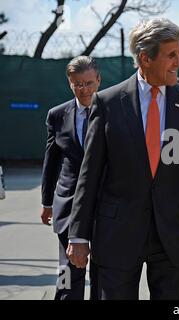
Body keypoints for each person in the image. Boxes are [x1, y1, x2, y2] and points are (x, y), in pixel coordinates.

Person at [66, 18, 179, 300]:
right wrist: (78, 235)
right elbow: (90, 172)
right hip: (117, 235)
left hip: (175, 236)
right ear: (145, 58)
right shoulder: (107, 102)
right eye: (171, 55)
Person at [40, 56, 100, 300]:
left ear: (98, 80)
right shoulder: (57, 115)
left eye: (88, 83)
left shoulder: (113, 111)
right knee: (67, 271)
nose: (83, 89)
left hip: (104, 204)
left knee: (105, 273)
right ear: (69, 83)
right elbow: (51, 161)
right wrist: (46, 203)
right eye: (78, 84)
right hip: (68, 206)